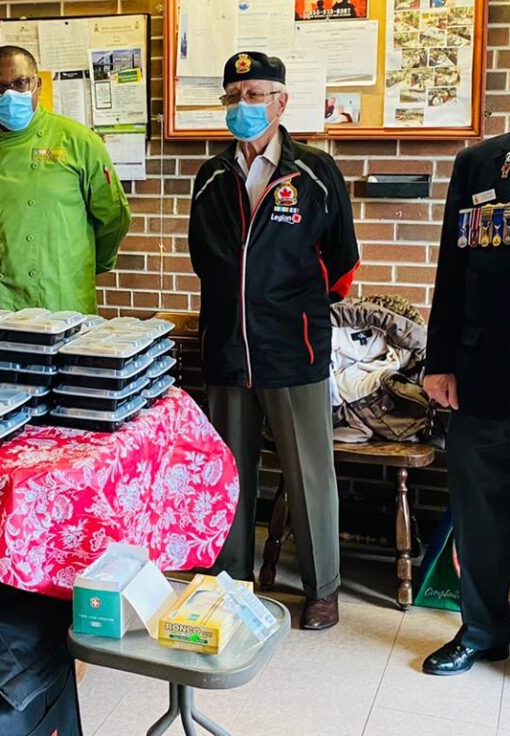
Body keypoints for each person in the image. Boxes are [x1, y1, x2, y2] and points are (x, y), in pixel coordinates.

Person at [188, 52, 359, 630]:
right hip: (228, 350)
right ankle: (228, 581)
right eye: (234, 97)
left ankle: (322, 588)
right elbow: (203, 261)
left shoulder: (315, 172)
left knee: (309, 472)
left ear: (282, 102)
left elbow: (343, 264)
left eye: (256, 94)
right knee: (229, 470)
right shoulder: (211, 176)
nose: (244, 107)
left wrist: (291, 311)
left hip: (295, 349)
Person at [421, 29, 510, 675]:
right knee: (479, 514)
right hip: (480, 375)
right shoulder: (480, 164)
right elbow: (452, 270)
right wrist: (440, 361)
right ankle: (482, 631)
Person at [0, 45, 131, 314]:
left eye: (20, 83)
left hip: (63, 294)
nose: (10, 94)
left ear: (38, 84)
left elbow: (113, 217)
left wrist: (80, 265)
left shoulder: (79, 141)